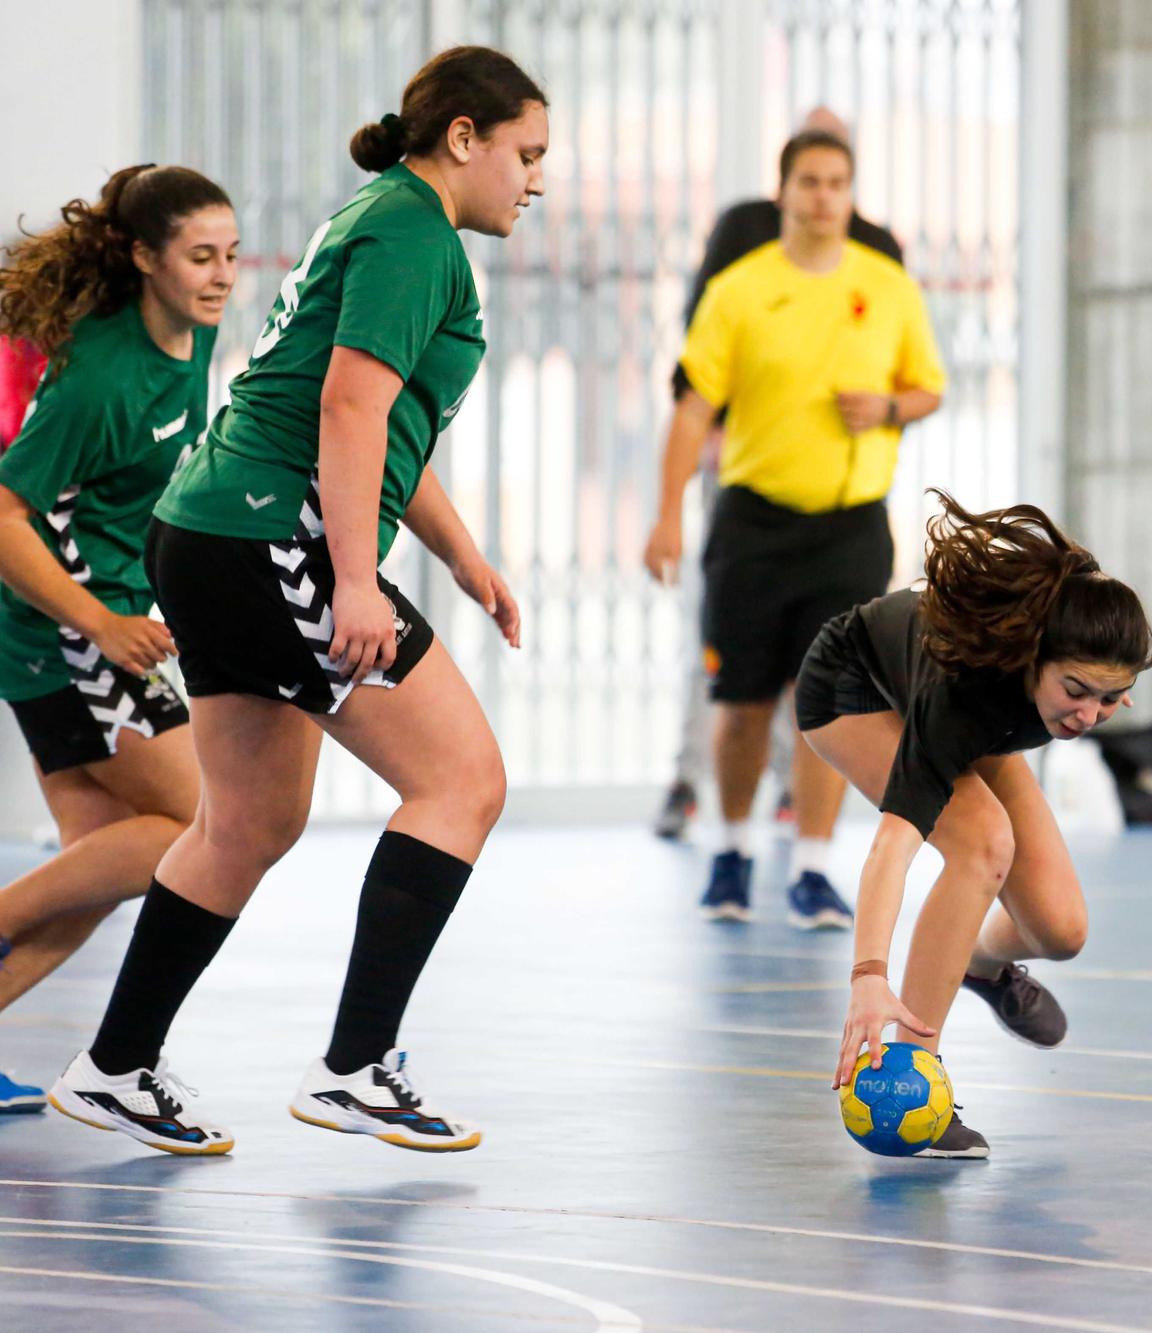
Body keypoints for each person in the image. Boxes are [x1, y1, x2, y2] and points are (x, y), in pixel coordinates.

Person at [47, 46, 545, 1156]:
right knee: (462, 780)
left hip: (215, 530)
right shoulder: (413, 234)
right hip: (273, 535)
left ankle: (114, 1065)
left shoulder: (382, 218)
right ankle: (356, 1066)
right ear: (462, 139)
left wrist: (461, 558)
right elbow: (349, 408)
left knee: (250, 821)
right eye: (526, 152)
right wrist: (360, 584)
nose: (536, 179)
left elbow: (384, 422)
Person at [644, 126, 946, 931]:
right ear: (783, 193)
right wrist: (668, 513)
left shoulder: (888, 287)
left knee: (833, 707)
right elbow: (693, 408)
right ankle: (733, 851)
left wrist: (887, 407)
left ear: (852, 194)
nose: (822, 196)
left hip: (849, 530)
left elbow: (928, 389)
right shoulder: (739, 290)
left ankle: (813, 866)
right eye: (808, 182)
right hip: (751, 523)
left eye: (836, 182)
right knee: (740, 700)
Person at [803, 492, 1152, 1158]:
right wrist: (869, 975)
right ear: (1034, 656)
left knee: (1059, 928)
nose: (1087, 714)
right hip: (854, 691)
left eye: (1110, 697)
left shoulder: (1065, 662)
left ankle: (976, 963)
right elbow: (889, 852)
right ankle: (914, 1075)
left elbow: (1092, 670)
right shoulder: (958, 701)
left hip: (975, 706)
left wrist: (1098, 685)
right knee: (983, 840)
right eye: (1075, 690)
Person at [0, 166, 234, 1114]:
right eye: (198, 256)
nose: (221, 275)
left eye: (229, 253)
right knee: (196, 826)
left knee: (96, 870)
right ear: (145, 257)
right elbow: (7, 514)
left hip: (108, 619)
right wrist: (99, 620)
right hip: (64, 629)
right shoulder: (96, 376)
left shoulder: (195, 332)